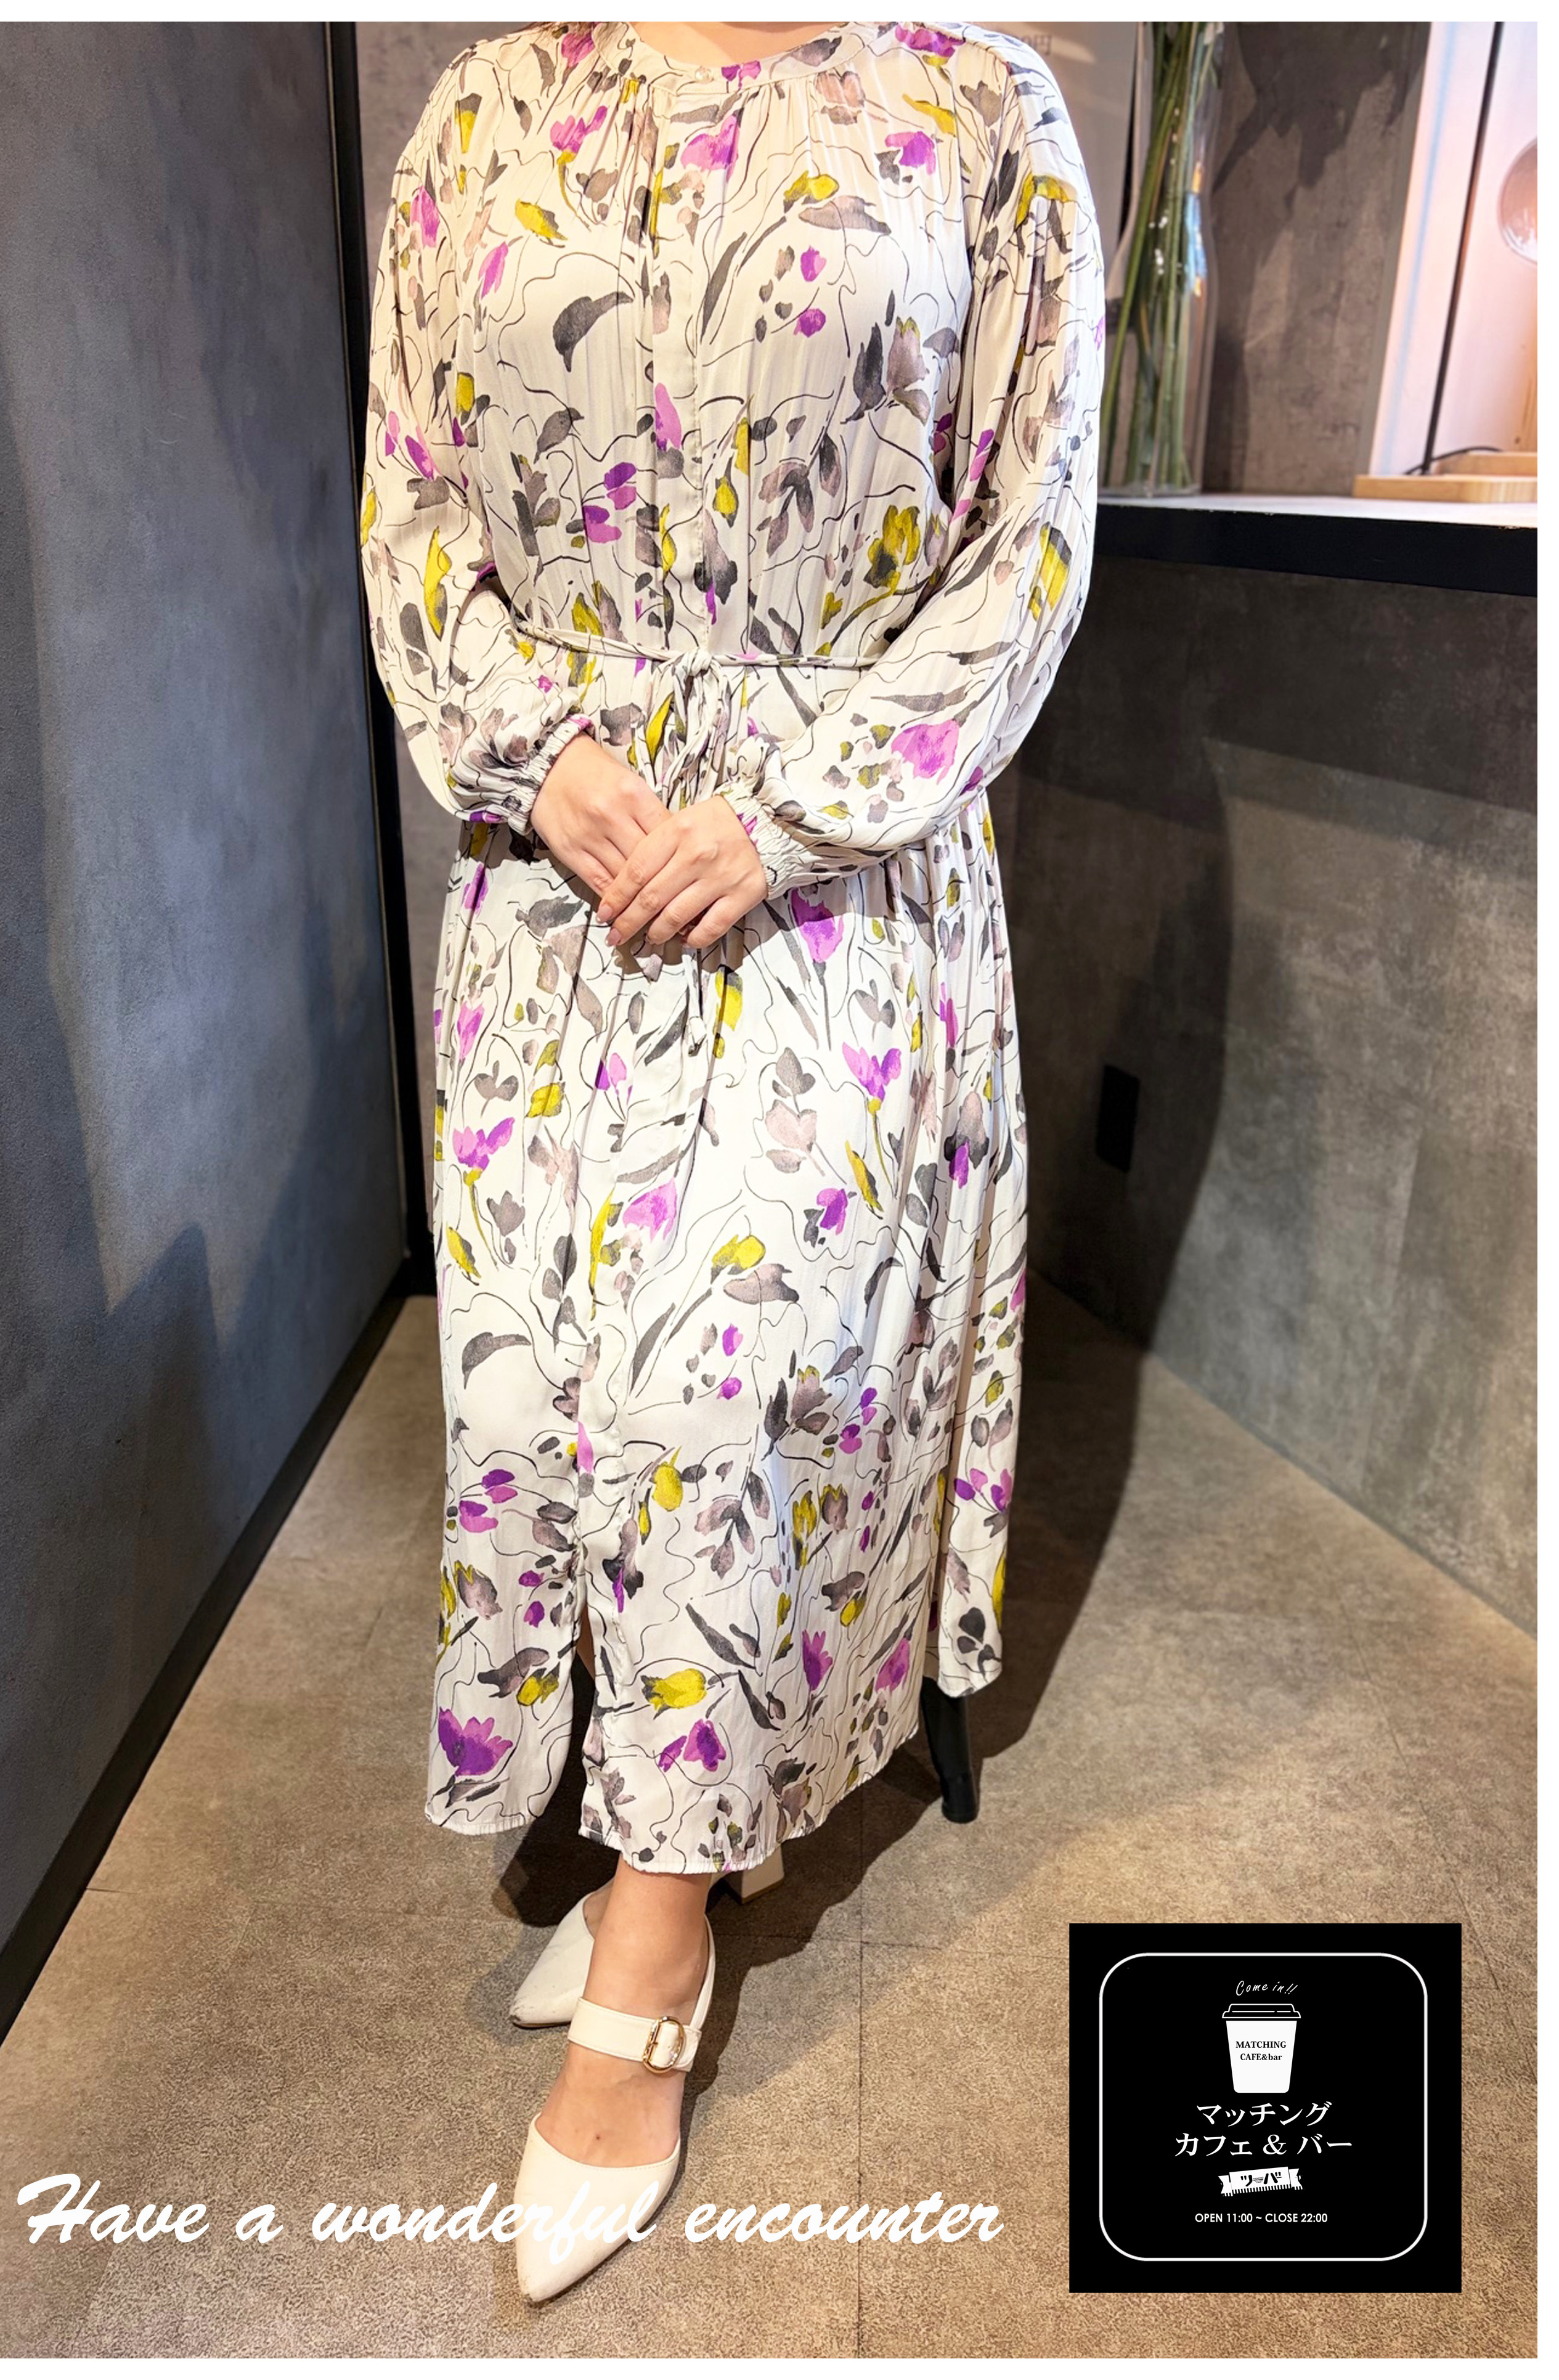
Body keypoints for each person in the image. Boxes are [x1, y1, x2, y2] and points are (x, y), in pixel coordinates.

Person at [359, 14, 1103, 2297]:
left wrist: (783, 812)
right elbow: (413, 505)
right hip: (555, 883)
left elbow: (1025, 549)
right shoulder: (488, 102)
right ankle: (660, 1818)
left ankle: (658, 1935)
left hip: (834, 881)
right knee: (533, 1395)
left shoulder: (978, 105)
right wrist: (541, 759)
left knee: (716, 1387)